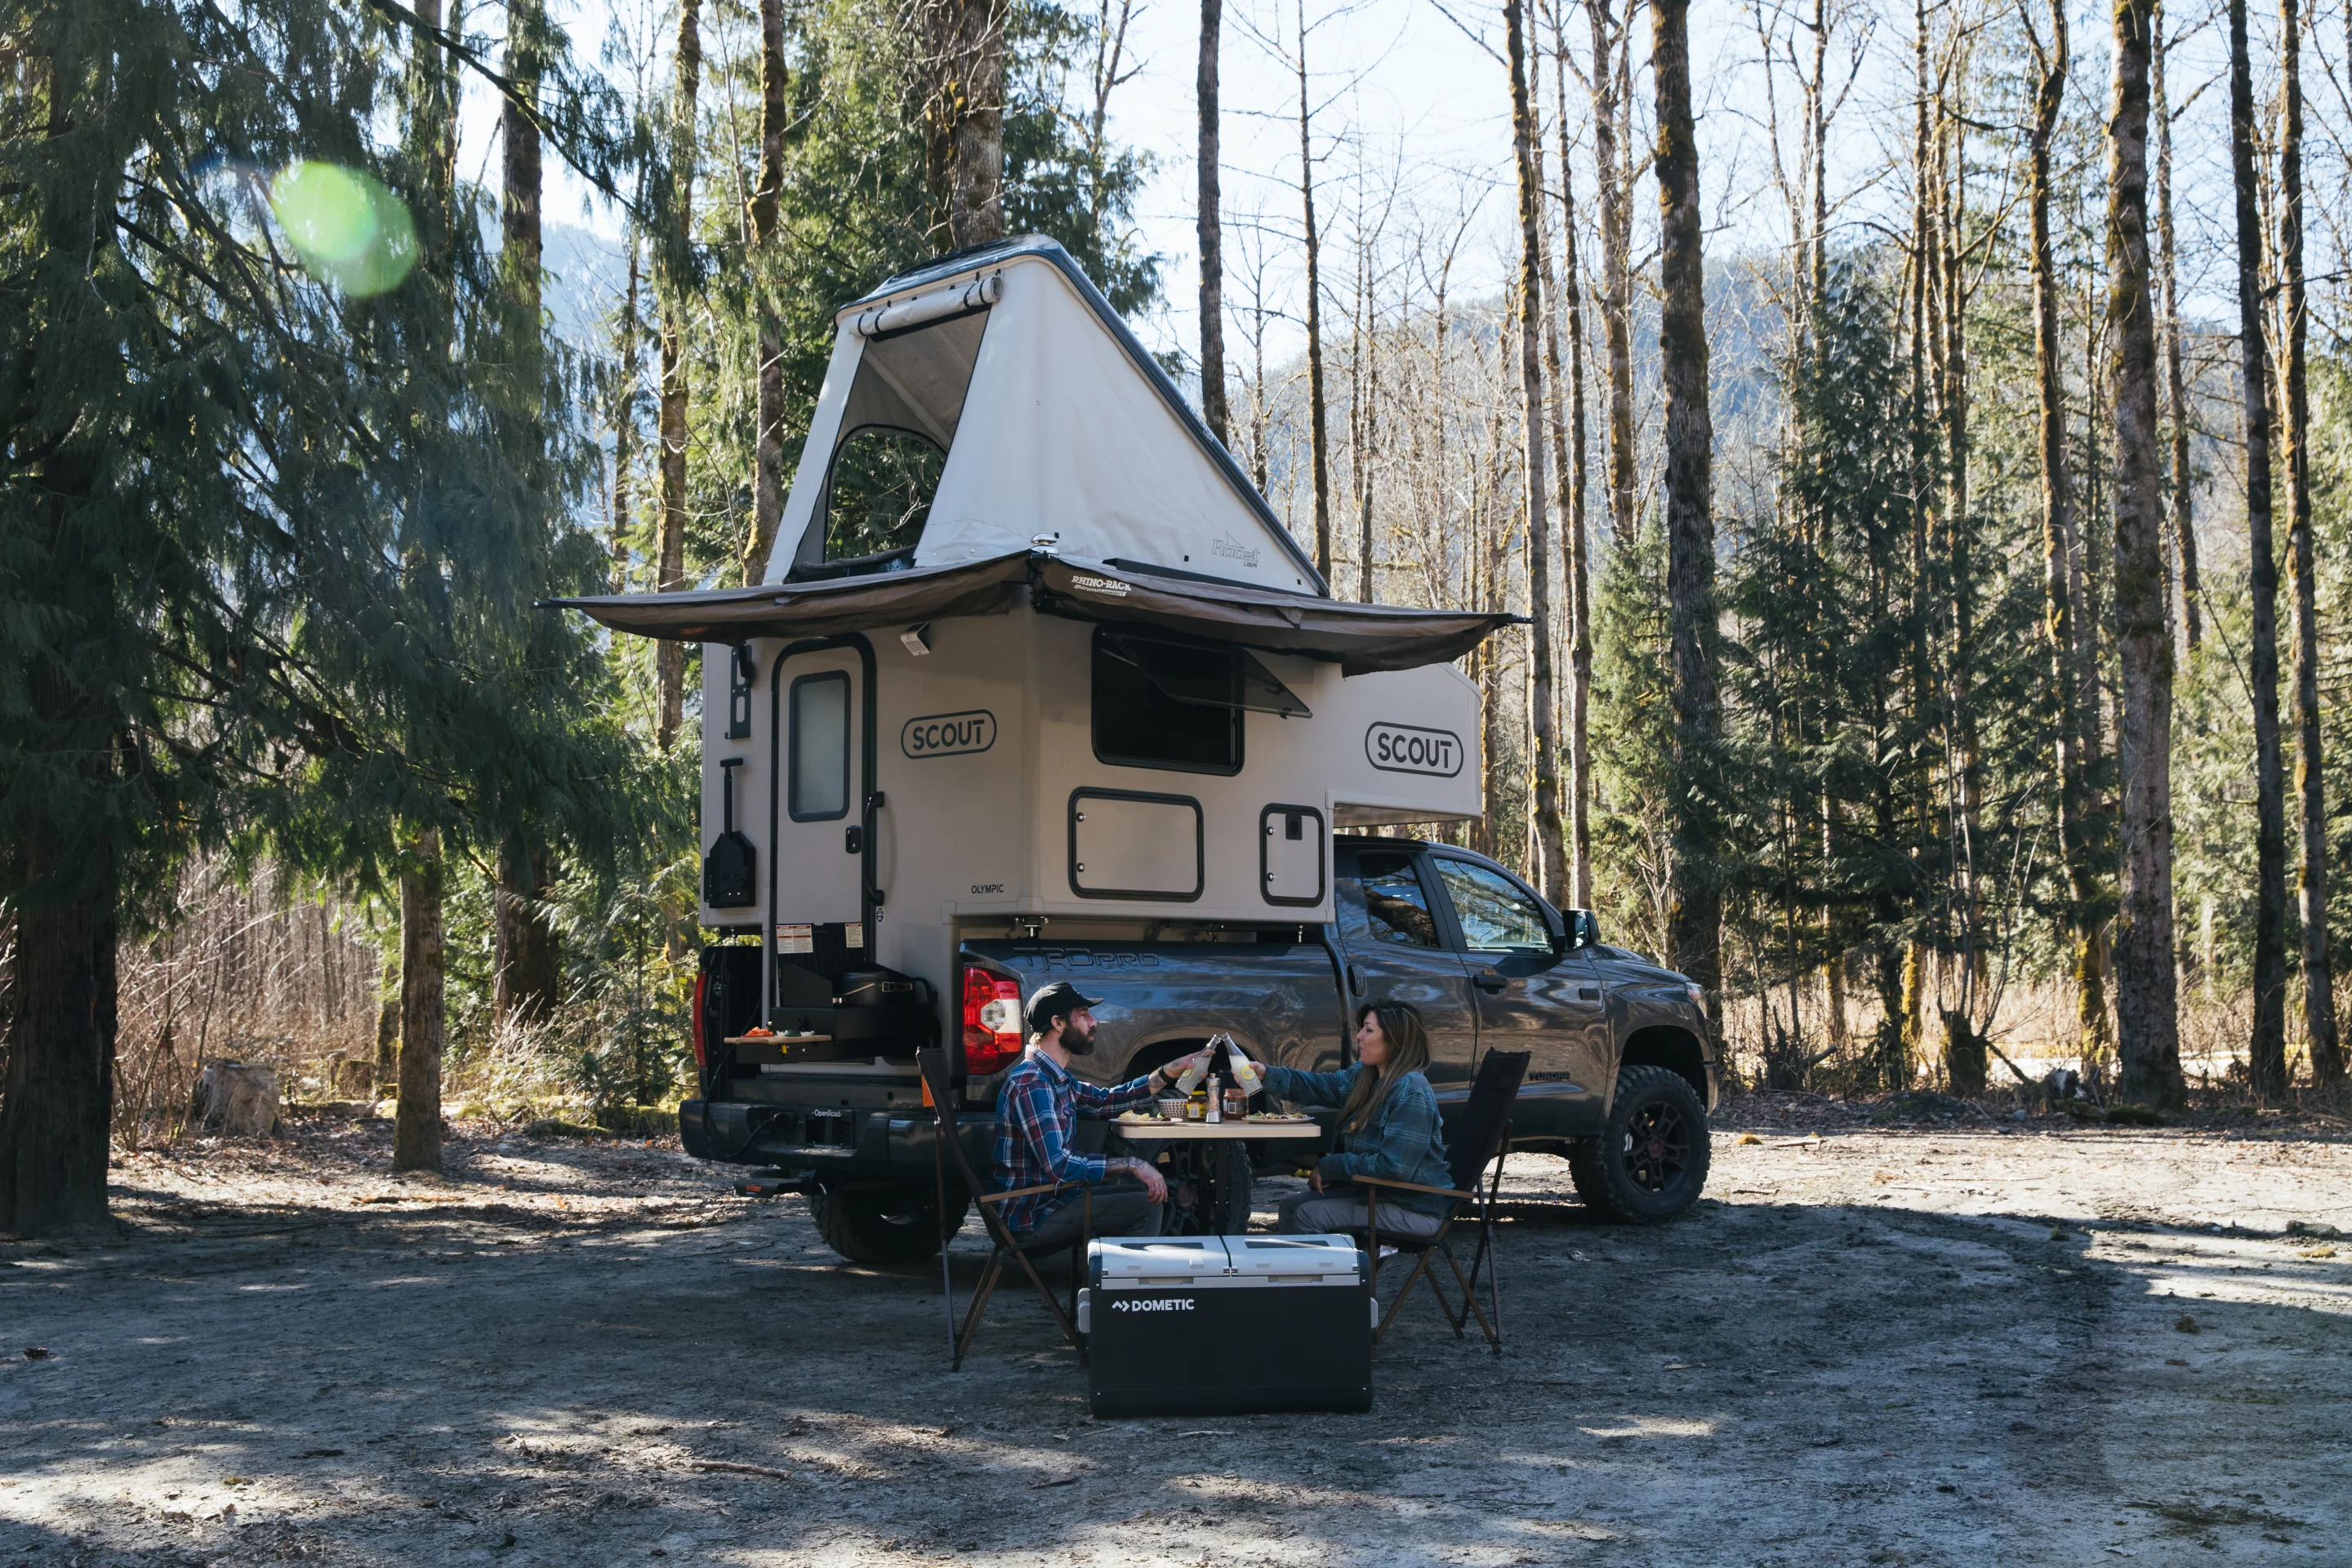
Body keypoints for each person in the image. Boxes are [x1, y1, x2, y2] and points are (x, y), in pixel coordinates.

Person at [991, 981, 1198, 1247]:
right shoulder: (1033, 1083)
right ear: (1058, 1023)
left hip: (1054, 1200)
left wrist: (1171, 1070)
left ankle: (1110, 1270)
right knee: (1146, 1207)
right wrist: (1132, 1164)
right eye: (1083, 1014)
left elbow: (1107, 1100)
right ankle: (1118, 1275)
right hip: (1032, 1217)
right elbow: (1060, 1166)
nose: (1094, 1022)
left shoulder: (1054, 1078)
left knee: (1140, 1193)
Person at [1256, 1001, 1453, 1242]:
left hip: (1414, 1207)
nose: (1359, 1036)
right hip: (1376, 1194)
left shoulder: (1412, 1092)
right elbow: (1320, 1086)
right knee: (1291, 1206)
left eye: (1368, 1030)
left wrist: (1332, 1167)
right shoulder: (1366, 1075)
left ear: (1395, 1039)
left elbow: (1395, 1168)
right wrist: (1265, 1074)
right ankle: (1305, 1269)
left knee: (1308, 1215)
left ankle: (1336, 1269)